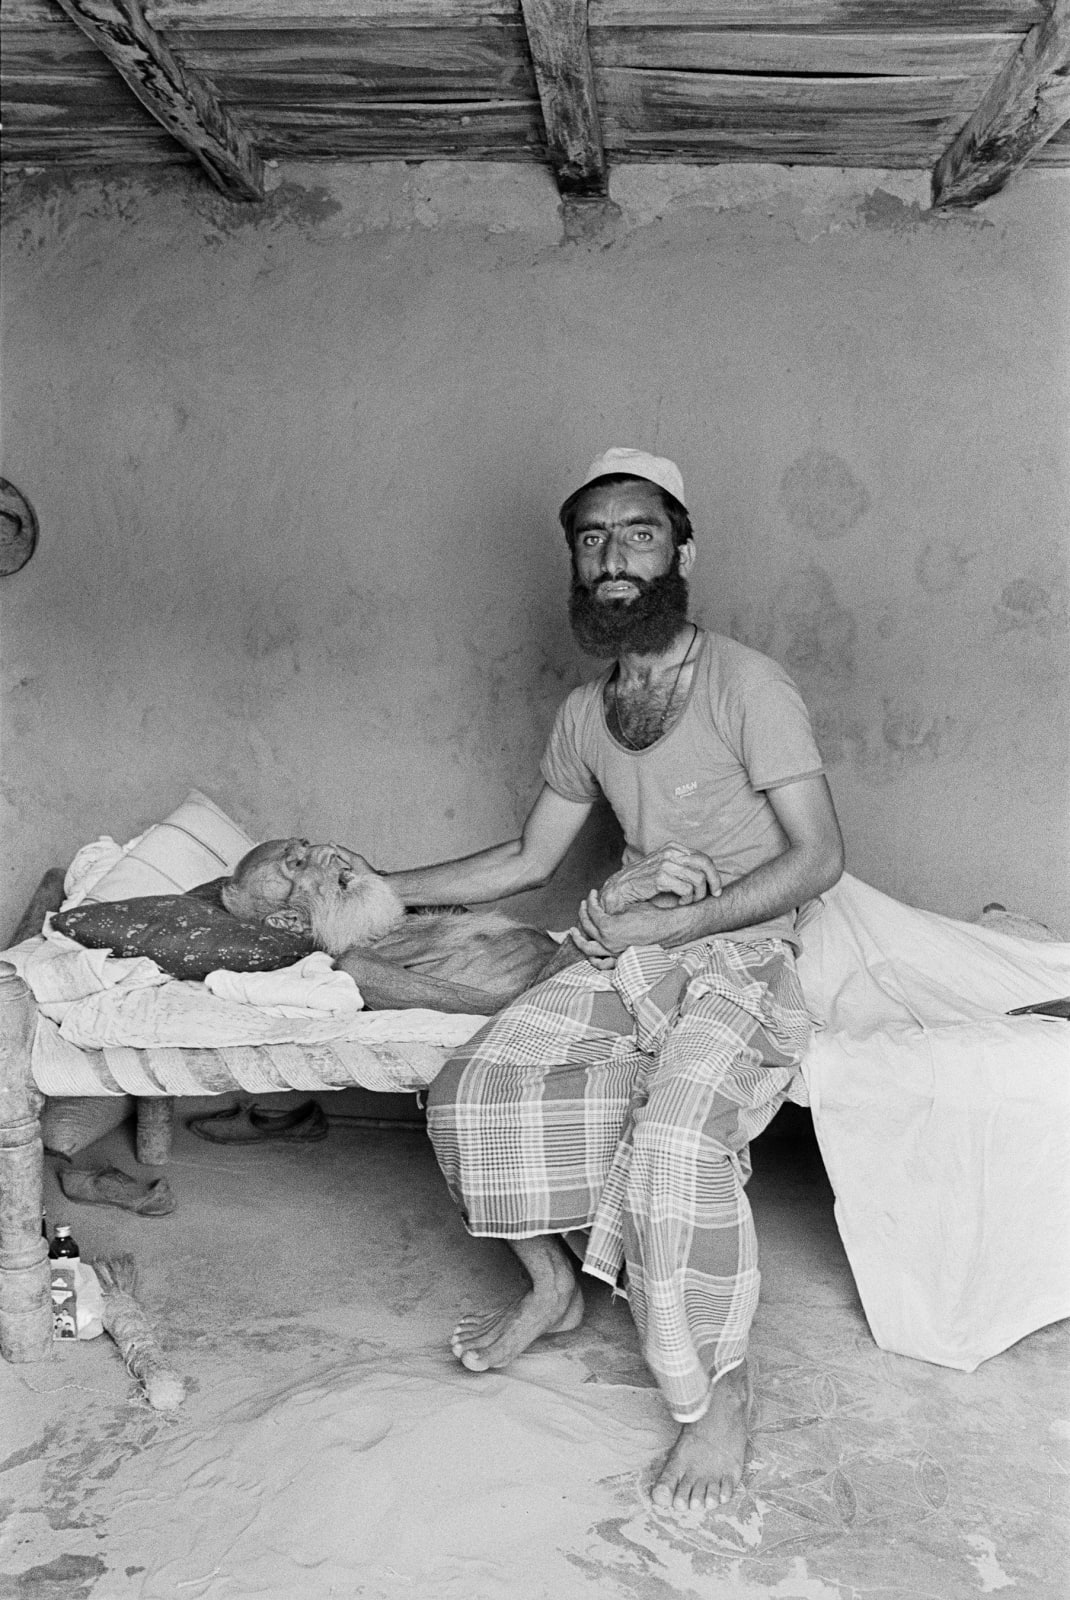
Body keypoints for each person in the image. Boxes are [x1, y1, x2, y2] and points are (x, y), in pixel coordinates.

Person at [376, 447, 845, 1513]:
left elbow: (816, 857)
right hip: (627, 954)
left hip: (741, 954)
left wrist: (677, 918)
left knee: (676, 1137)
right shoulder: (587, 712)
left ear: (683, 548)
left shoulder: (744, 682)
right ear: (575, 566)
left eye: (637, 532)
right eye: (590, 538)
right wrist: (375, 887)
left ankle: (717, 1392)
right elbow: (525, 861)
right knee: (470, 1090)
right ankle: (553, 1289)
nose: (611, 555)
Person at [217, 836, 563, 1015]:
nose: (325, 849)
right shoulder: (359, 964)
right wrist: (532, 1005)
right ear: (291, 921)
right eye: (298, 862)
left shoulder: (403, 918)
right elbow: (488, 1006)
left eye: (308, 845)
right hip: (559, 993)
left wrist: (375, 881)